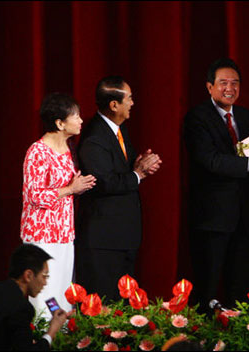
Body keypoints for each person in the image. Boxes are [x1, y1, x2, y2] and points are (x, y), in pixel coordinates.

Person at [183, 58, 249, 313]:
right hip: (211, 215)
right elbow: (209, 159)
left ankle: (241, 332)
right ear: (209, 87)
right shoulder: (197, 117)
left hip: (242, 212)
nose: (230, 88)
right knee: (209, 282)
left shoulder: (244, 115)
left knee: (241, 281)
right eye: (223, 83)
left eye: (235, 83)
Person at [76, 76, 162, 303]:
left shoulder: (117, 131)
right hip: (104, 241)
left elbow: (121, 169)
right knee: (103, 308)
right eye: (130, 98)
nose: (133, 103)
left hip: (122, 237)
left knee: (121, 310)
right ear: (114, 105)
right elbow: (104, 181)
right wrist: (138, 174)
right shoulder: (95, 138)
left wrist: (140, 163)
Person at [20, 93, 96, 319]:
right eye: (76, 116)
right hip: (41, 236)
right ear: (60, 123)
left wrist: (79, 187)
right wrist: (70, 189)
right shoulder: (37, 152)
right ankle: (44, 339)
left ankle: (60, 337)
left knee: (63, 295)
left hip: (64, 234)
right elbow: (34, 195)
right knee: (45, 296)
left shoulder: (70, 149)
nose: (81, 121)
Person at [0, 244, 69, 350]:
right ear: (28, 275)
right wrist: (52, 332)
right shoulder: (21, 307)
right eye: (44, 276)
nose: (45, 283)